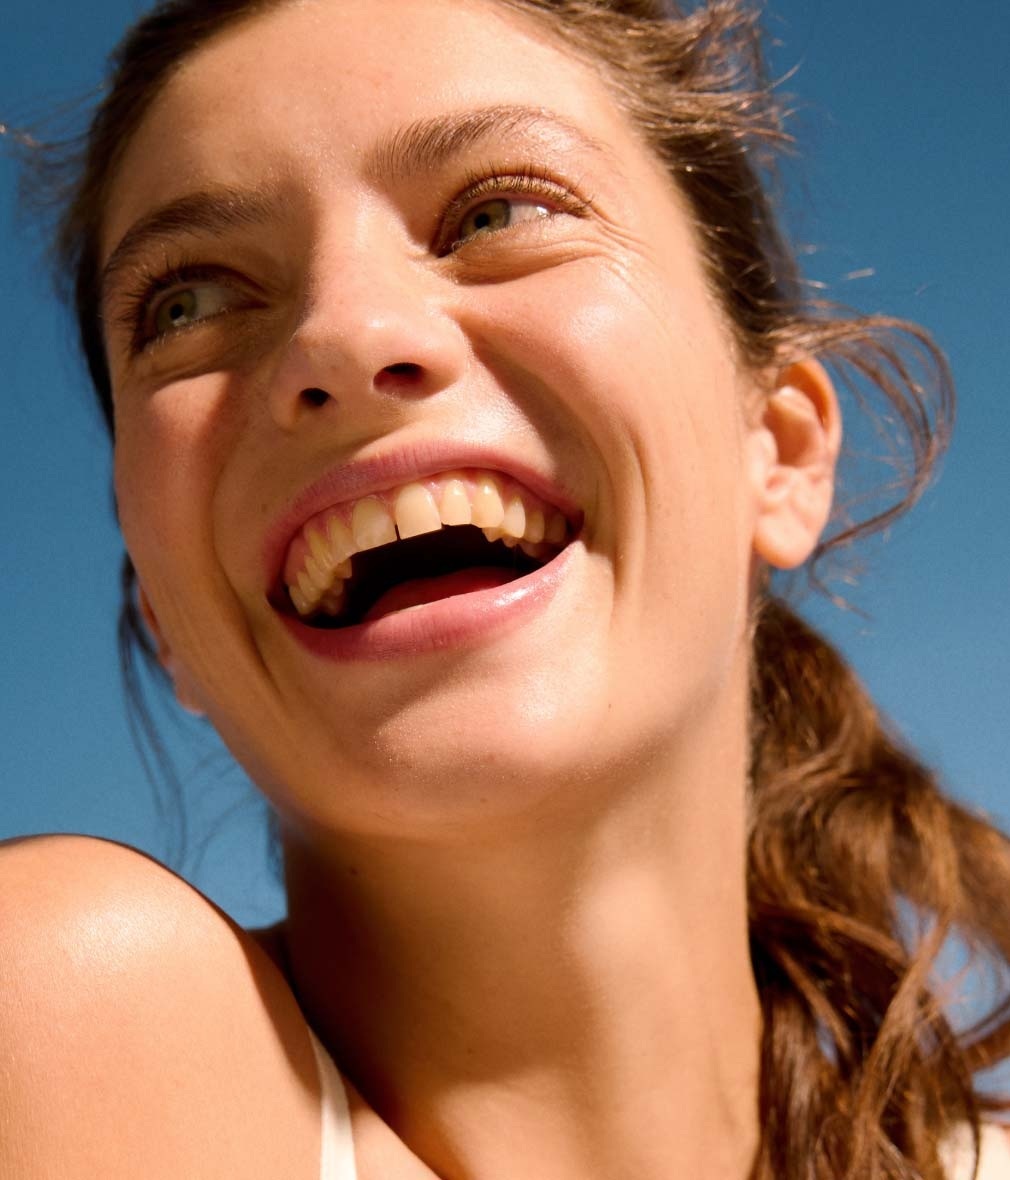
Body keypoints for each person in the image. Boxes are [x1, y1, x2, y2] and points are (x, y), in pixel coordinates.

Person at [2, 0, 1008, 1176]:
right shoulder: (65, 1012)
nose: (343, 333)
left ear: (776, 450)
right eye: (189, 302)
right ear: (161, 615)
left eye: (499, 209)